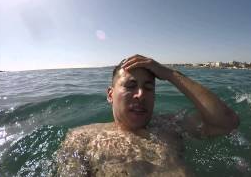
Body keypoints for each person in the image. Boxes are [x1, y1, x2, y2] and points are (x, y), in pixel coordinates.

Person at [56, 54, 240, 176]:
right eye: (130, 86)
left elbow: (227, 122)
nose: (141, 94)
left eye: (149, 88)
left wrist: (170, 74)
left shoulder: (171, 126)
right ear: (110, 95)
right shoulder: (82, 138)